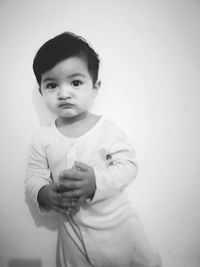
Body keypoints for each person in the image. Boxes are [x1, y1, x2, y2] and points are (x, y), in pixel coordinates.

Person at [26, 32, 161, 267]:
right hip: (73, 232)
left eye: (75, 82)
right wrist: (43, 193)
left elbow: (128, 167)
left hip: (118, 227)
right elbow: (33, 176)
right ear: (41, 91)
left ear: (95, 87)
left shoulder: (107, 130)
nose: (64, 93)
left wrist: (95, 182)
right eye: (51, 85)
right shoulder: (43, 137)